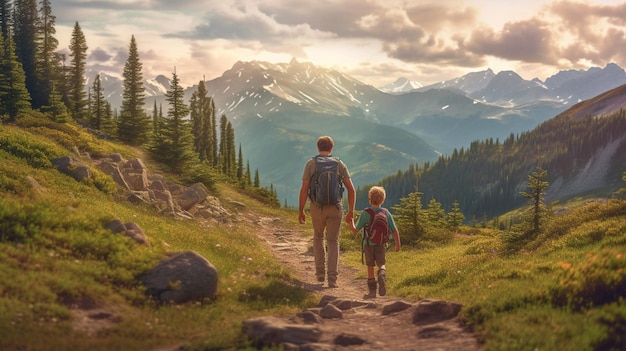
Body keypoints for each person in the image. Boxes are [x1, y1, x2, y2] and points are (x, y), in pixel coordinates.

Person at [299, 136, 355, 288]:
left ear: (318, 148)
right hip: (336, 208)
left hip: (317, 207)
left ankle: (320, 274)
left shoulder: (311, 163)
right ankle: (332, 278)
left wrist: (301, 211)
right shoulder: (339, 164)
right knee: (333, 241)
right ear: (331, 148)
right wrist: (351, 211)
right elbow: (351, 189)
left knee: (318, 238)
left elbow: (304, 189)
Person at [349, 186, 401, 298]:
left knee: (370, 266)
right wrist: (397, 243)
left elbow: (355, 230)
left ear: (369, 199)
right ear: (383, 200)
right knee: (381, 264)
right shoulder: (386, 213)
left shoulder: (365, 213)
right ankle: (382, 273)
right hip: (381, 244)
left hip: (368, 244)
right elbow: (394, 230)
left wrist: (350, 221)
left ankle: (372, 293)